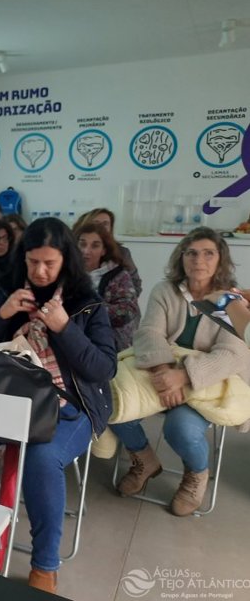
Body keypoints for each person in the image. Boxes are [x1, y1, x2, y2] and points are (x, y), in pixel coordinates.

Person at [0, 217, 117, 594]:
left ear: (65, 261)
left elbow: (103, 369)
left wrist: (64, 327)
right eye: (33, 261)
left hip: (70, 406)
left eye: (49, 263)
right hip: (9, 396)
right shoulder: (11, 290)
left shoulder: (87, 304)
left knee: (42, 457)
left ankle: (45, 565)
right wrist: (1, 315)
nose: (39, 271)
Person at [109, 227, 250, 516]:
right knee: (111, 400)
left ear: (220, 259)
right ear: (181, 257)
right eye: (192, 252)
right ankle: (144, 459)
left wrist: (183, 376)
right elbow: (149, 332)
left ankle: (196, 474)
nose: (199, 260)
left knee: (179, 428)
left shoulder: (229, 301)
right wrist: (164, 373)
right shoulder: (165, 290)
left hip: (206, 383)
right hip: (163, 373)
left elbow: (233, 354)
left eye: (208, 253)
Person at [75, 221, 140, 352]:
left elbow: (128, 310)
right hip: (73, 337)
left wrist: (90, 310)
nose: (86, 251)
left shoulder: (119, 275)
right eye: (82, 244)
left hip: (110, 341)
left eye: (95, 246)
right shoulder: (65, 273)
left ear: (103, 250)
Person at [78, 208, 142, 297]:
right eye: (96, 223)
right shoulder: (72, 258)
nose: (101, 227)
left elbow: (135, 285)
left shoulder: (122, 254)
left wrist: (121, 293)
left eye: (105, 224)